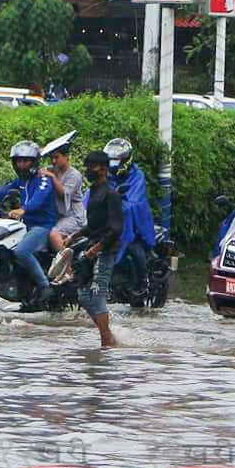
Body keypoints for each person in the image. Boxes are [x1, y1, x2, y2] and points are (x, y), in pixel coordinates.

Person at [0, 139, 57, 309]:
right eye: (19, 161)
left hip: (42, 227)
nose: (22, 165)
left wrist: (23, 210)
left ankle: (45, 286)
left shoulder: (43, 180)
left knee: (21, 251)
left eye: (25, 161)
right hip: (24, 227)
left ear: (33, 162)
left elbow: (38, 200)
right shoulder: (19, 182)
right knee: (3, 248)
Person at [75, 148, 123, 348]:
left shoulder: (111, 194)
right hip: (91, 249)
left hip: (105, 251)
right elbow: (94, 224)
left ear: (103, 169)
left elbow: (116, 228)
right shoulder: (94, 191)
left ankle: (106, 343)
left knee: (97, 293)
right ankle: (108, 335)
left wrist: (98, 247)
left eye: (91, 167)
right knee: (83, 296)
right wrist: (74, 236)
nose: (88, 170)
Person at [108, 137, 156, 293]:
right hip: (107, 224)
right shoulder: (106, 175)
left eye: (117, 160)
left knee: (136, 251)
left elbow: (134, 202)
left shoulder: (137, 176)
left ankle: (143, 283)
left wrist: (117, 203)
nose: (113, 164)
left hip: (135, 226)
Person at [45, 132, 86, 261]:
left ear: (66, 156)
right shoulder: (54, 169)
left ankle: (66, 269)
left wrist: (52, 177)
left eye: (56, 157)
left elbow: (64, 193)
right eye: (51, 158)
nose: (53, 161)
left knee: (53, 234)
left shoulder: (74, 175)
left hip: (73, 217)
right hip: (58, 215)